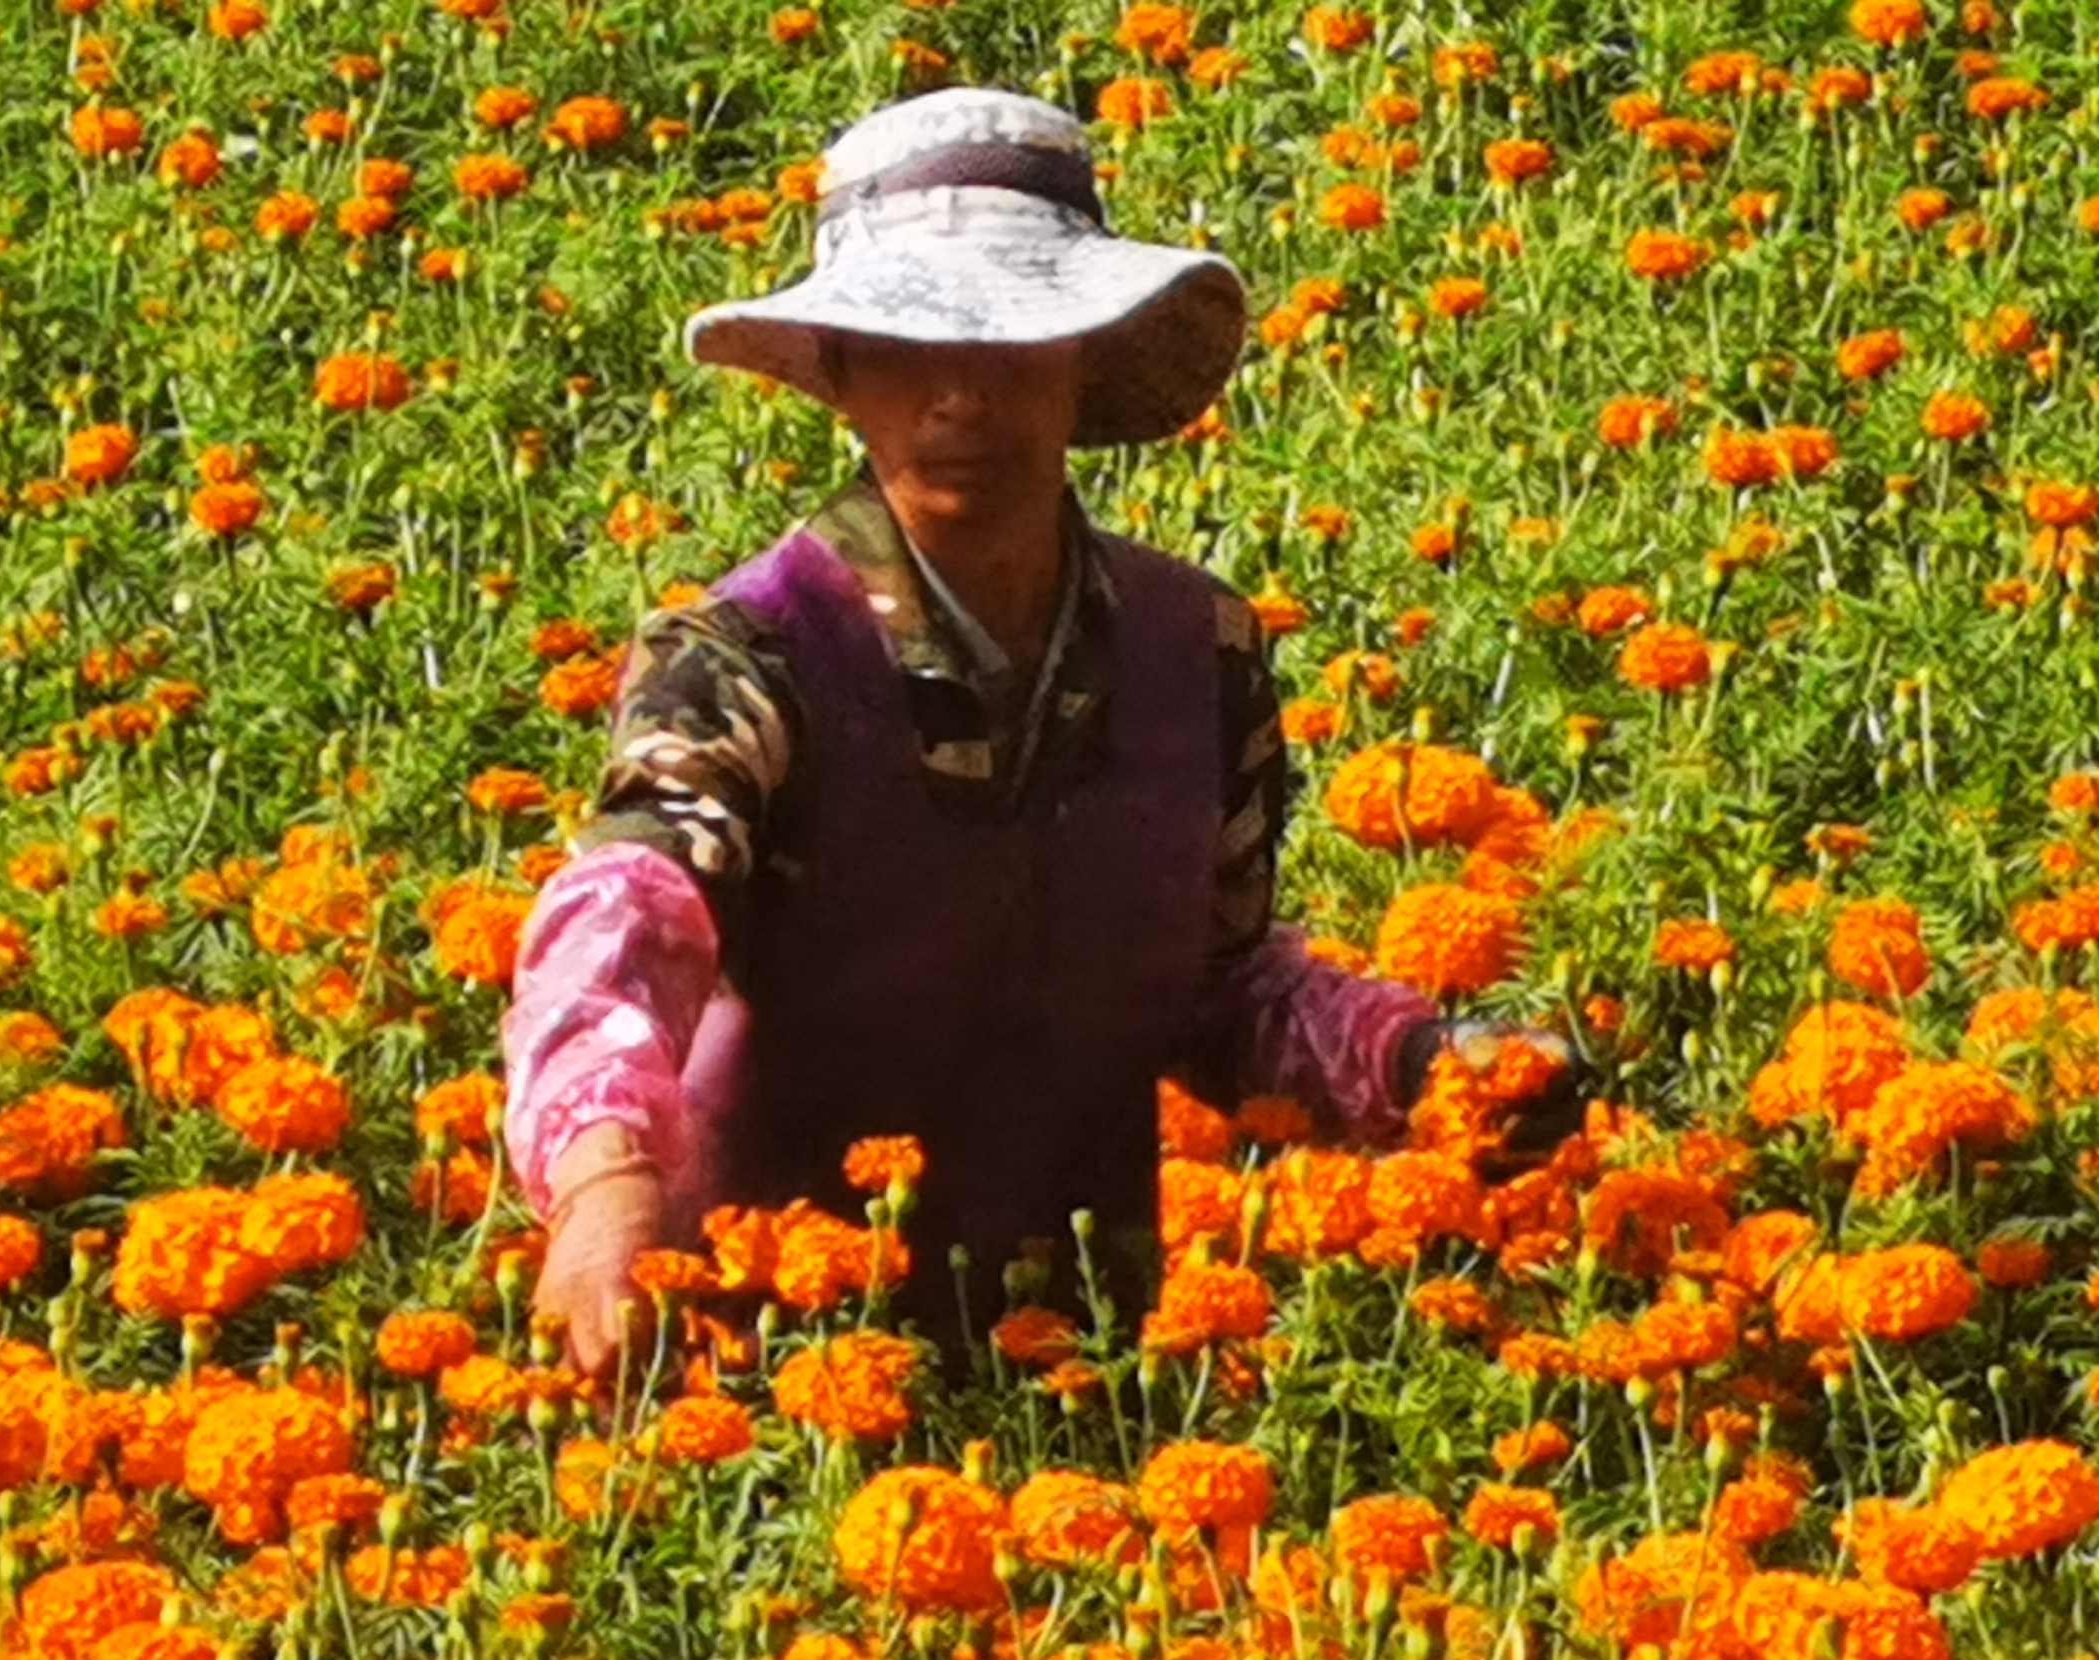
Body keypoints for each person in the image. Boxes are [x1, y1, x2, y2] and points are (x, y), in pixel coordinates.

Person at [500, 86, 1584, 1375]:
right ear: (841, 376)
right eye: (908, 348)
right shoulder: (747, 658)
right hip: (762, 1356)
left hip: (1084, 1357)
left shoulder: (1200, 649)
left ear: (1085, 359)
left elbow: (1222, 986)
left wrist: (1424, 1063)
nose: (961, 395)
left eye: (1012, 342)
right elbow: (630, 917)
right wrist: (605, 1180)